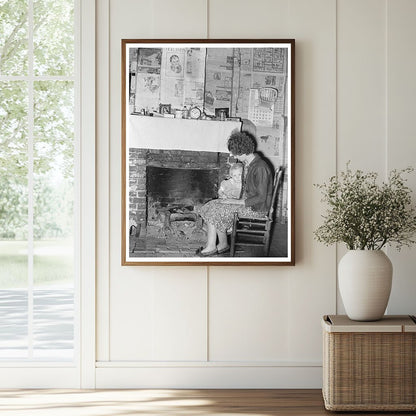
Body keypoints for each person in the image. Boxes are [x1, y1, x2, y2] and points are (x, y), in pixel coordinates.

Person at [196, 131, 273, 256]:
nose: (231, 154)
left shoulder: (260, 167)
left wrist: (235, 202)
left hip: (257, 209)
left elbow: (261, 197)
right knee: (212, 205)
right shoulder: (250, 163)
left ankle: (211, 246)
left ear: (242, 152)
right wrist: (231, 197)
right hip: (249, 203)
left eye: (234, 152)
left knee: (215, 210)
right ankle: (223, 244)